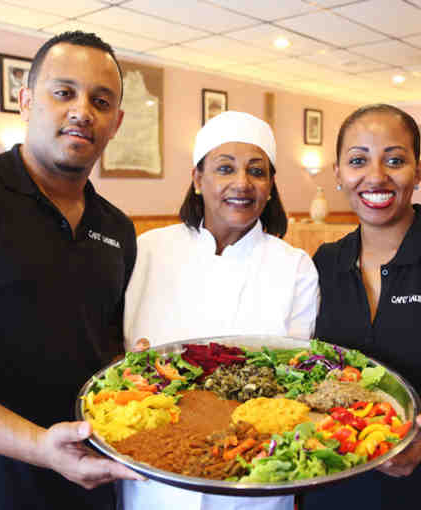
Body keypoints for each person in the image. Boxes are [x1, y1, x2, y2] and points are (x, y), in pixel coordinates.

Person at [0, 31, 145, 510]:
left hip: (92, 478)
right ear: (26, 101)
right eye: (63, 92)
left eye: (100, 101)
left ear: (116, 122)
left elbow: (101, 345)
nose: (82, 111)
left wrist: (136, 370)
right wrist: (40, 447)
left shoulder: (118, 228)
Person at [121, 111, 319, 510]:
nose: (242, 183)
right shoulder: (147, 250)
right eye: (225, 168)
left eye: (257, 171)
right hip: (153, 476)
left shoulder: (295, 267)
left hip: (252, 481)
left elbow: (292, 375)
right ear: (197, 179)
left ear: (270, 186)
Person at [303, 104, 421, 510]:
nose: (376, 176)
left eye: (394, 160)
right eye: (358, 161)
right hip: (333, 483)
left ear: (419, 171)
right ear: (338, 173)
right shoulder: (324, 262)